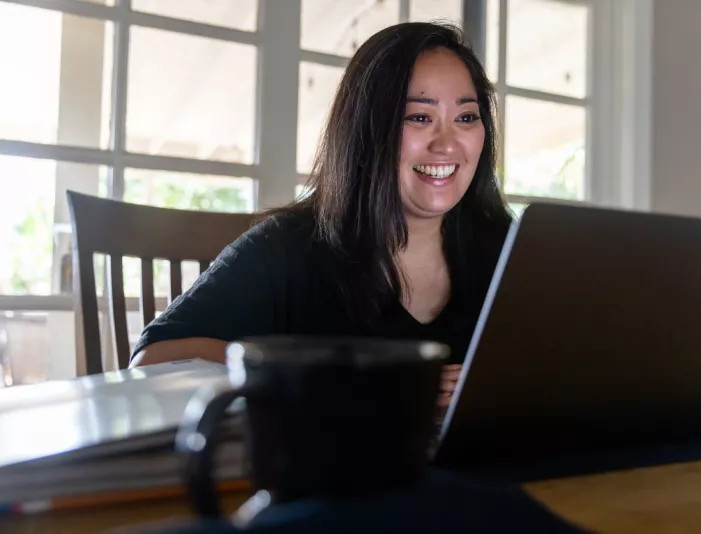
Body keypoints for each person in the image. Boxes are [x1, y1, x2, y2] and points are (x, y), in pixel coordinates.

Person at [129, 22, 513, 407]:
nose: (447, 145)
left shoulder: (508, 250)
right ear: (365, 129)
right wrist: (350, 383)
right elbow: (153, 358)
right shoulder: (286, 247)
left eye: (466, 117)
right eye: (418, 117)